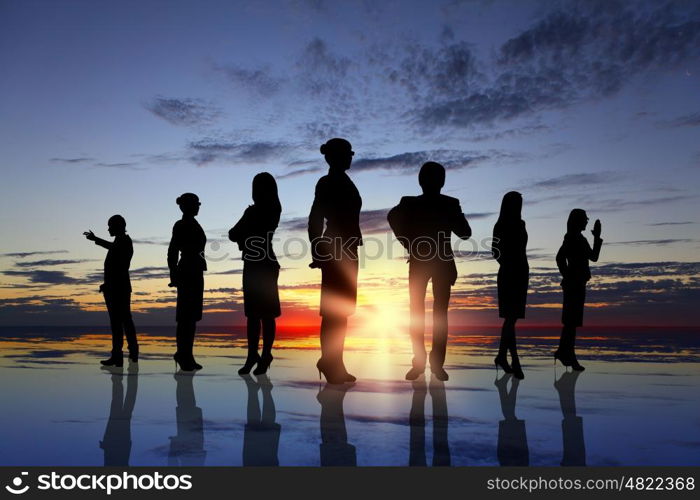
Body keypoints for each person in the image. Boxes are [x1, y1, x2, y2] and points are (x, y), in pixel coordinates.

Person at [387, 162, 471, 381]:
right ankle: (421, 362)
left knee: (436, 315)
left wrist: (409, 242)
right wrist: (408, 243)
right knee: (422, 314)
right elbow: (392, 217)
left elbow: (464, 233)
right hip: (425, 263)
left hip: (438, 264)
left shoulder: (447, 204)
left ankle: (434, 364)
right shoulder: (413, 203)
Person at [308, 138, 362, 384]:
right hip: (335, 249)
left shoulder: (343, 181)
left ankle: (334, 361)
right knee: (334, 311)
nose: (351, 157)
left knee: (343, 311)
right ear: (338, 156)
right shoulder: (328, 182)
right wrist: (317, 247)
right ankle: (330, 362)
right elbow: (316, 217)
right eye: (348, 153)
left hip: (348, 250)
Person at [229, 172, 282, 375]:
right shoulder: (261, 211)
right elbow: (233, 234)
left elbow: (235, 233)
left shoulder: (261, 211)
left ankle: (265, 354)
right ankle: (254, 355)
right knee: (254, 314)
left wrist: (244, 234)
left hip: (263, 264)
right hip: (254, 263)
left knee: (265, 314)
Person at [84, 215, 138, 367]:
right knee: (119, 322)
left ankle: (130, 353)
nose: (108, 229)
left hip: (118, 288)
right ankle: (119, 356)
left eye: (110, 226)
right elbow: (114, 260)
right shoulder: (120, 242)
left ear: (118, 226)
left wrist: (108, 284)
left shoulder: (124, 241)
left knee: (123, 321)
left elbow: (119, 268)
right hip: (114, 287)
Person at [555, 209, 602, 371]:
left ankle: (563, 351)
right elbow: (560, 258)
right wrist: (567, 275)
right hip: (572, 284)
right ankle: (569, 355)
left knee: (572, 322)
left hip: (579, 283)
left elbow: (594, 257)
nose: (586, 221)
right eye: (584, 219)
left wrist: (596, 237)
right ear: (577, 221)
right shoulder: (571, 238)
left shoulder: (581, 239)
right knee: (571, 322)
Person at [492, 191, 529, 379]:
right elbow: (495, 251)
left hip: (522, 272)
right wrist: (509, 265)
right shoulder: (500, 225)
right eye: (517, 203)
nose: (519, 207)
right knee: (510, 318)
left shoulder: (521, 224)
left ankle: (501, 356)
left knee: (512, 318)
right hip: (509, 273)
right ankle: (514, 360)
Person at [168, 193, 207, 371]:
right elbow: (172, 251)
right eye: (196, 204)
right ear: (188, 206)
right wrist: (174, 275)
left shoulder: (192, 223)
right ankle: (183, 354)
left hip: (195, 271)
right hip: (188, 271)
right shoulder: (181, 225)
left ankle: (186, 354)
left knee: (191, 317)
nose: (199, 206)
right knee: (186, 317)